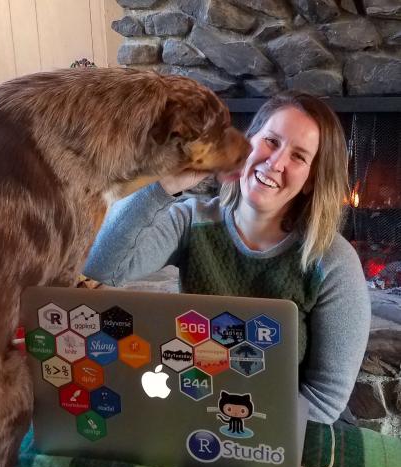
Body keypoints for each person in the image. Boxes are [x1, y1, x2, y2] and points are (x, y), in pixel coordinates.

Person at [84, 91, 371, 425]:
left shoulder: (334, 261)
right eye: (271, 141)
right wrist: (163, 185)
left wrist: (244, 435)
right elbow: (102, 264)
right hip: (197, 407)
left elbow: (325, 400)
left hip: (290, 427)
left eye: (298, 156)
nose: (276, 163)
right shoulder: (191, 221)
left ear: (310, 181)